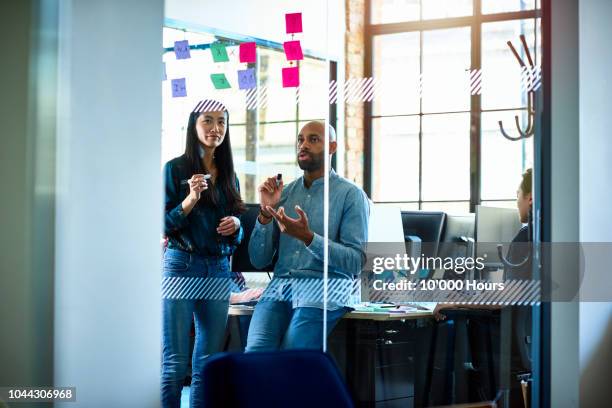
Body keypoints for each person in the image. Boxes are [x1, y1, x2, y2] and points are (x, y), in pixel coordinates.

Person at [244, 121, 370, 352]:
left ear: (332, 147)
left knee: (293, 354)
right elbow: (258, 260)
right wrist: (264, 214)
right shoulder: (284, 194)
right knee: (255, 355)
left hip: (325, 287)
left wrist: (309, 238)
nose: (303, 145)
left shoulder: (351, 195)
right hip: (281, 287)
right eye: (300, 140)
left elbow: (356, 262)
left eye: (313, 140)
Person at [161, 99, 245, 408]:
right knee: (174, 363)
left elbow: (238, 236)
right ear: (194, 125)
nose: (216, 128)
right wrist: (191, 198)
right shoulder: (174, 168)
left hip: (218, 269)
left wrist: (237, 225)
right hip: (181, 265)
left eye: (221, 122)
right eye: (208, 121)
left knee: (206, 366)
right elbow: (163, 224)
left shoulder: (228, 175)